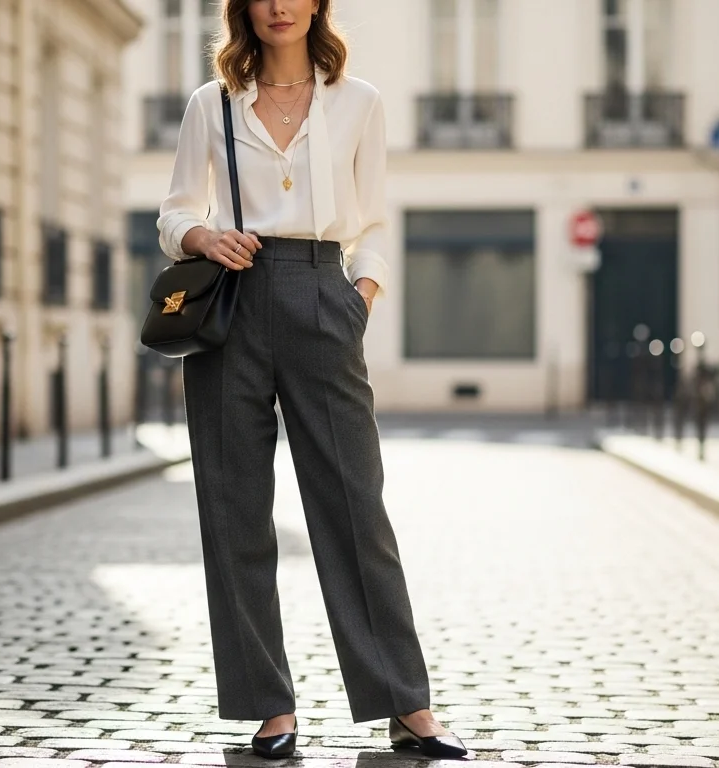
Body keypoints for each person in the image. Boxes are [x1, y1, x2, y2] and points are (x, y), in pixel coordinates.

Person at [155, 0, 467, 761]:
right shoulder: (212, 103)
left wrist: (361, 296)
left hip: (325, 293)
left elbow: (378, 220)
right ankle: (269, 708)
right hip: (230, 299)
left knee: (355, 505)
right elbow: (172, 212)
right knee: (235, 508)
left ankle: (406, 704)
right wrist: (201, 234)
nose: (278, 5)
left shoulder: (358, 101)